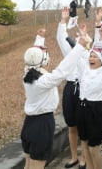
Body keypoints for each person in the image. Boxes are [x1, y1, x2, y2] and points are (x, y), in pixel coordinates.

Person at [21, 28, 91, 169]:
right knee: (37, 166)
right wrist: (79, 47)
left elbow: (33, 56)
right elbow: (62, 71)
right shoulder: (43, 81)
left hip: (28, 124)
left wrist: (40, 38)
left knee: (28, 165)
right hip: (42, 124)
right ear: (43, 61)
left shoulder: (27, 75)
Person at [75, 21, 102, 169]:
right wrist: (84, 36)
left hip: (96, 110)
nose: (91, 59)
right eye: (91, 56)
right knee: (85, 144)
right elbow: (80, 55)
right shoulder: (84, 71)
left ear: (101, 60)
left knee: (94, 147)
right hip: (82, 108)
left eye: (95, 57)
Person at [56, 7, 87, 169]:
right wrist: (63, 20)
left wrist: (85, 36)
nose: (77, 39)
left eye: (80, 37)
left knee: (83, 126)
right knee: (71, 125)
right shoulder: (69, 52)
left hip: (84, 90)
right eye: (75, 37)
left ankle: (84, 157)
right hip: (70, 88)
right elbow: (61, 38)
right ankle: (74, 156)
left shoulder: (89, 54)